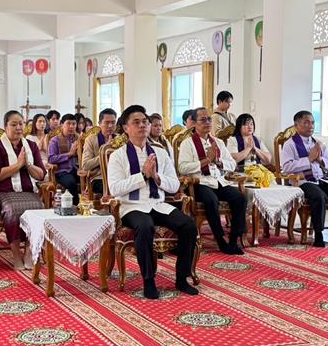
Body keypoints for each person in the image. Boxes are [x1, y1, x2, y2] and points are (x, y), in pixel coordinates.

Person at [107, 105, 198, 299]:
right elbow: (115, 189)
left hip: (158, 204)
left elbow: (173, 185)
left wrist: (156, 177)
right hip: (132, 207)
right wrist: (142, 175)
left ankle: (182, 278)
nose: (142, 126)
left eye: (145, 122)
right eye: (136, 122)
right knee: (145, 226)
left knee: (189, 225)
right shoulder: (118, 156)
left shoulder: (161, 153)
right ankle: (149, 281)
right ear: (125, 128)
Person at [178, 107, 247, 255]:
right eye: (203, 120)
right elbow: (183, 168)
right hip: (200, 183)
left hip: (219, 181)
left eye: (209, 119)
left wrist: (218, 162)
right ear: (195, 123)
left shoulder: (218, 142)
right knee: (211, 200)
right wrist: (206, 160)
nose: (208, 122)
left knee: (240, 198)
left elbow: (232, 164)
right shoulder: (187, 144)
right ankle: (220, 239)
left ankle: (234, 239)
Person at [281, 111, 328, 247]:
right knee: (319, 196)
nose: (311, 126)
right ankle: (318, 234)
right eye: (306, 123)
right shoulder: (290, 144)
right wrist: (308, 159)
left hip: (321, 179)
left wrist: (320, 159)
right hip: (303, 182)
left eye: (313, 122)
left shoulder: (318, 144)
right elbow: (287, 167)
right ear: (296, 125)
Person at [0, 110, 46, 269]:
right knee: (13, 210)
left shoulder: (30, 146)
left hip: (28, 191)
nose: (18, 127)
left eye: (21, 124)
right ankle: (16, 255)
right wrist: (17, 166)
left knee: (38, 208)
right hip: (4, 192)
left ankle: (28, 252)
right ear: (5, 127)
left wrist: (28, 165)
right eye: (14, 124)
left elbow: (41, 175)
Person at [82, 108, 117, 195]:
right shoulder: (91, 139)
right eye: (107, 122)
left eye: (113, 122)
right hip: (99, 178)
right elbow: (86, 165)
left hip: (118, 176)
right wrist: (105, 152)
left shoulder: (119, 139)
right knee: (113, 188)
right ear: (99, 124)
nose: (110, 126)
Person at [48, 113, 80, 205]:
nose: (71, 126)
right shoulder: (55, 140)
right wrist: (69, 154)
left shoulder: (79, 139)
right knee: (71, 183)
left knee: (90, 180)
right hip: (62, 171)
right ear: (62, 125)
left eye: (74, 124)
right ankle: (75, 206)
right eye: (68, 124)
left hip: (77, 169)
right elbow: (51, 158)